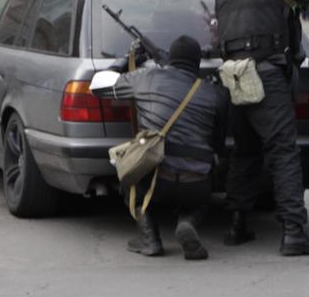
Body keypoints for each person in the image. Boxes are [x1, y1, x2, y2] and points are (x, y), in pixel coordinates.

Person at [215, 0, 309, 256]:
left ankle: (237, 224)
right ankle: (293, 231)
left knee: (245, 150)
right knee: (283, 153)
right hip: (267, 75)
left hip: (235, 75)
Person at [90, 35, 229, 260]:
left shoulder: (146, 78)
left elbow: (98, 87)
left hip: (155, 180)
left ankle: (149, 238)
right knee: (204, 182)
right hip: (197, 184)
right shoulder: (215, 93)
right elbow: (219, 147)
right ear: (196, 64)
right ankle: (188, 221)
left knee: (129, 167)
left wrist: (126, 61)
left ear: (170, 59)